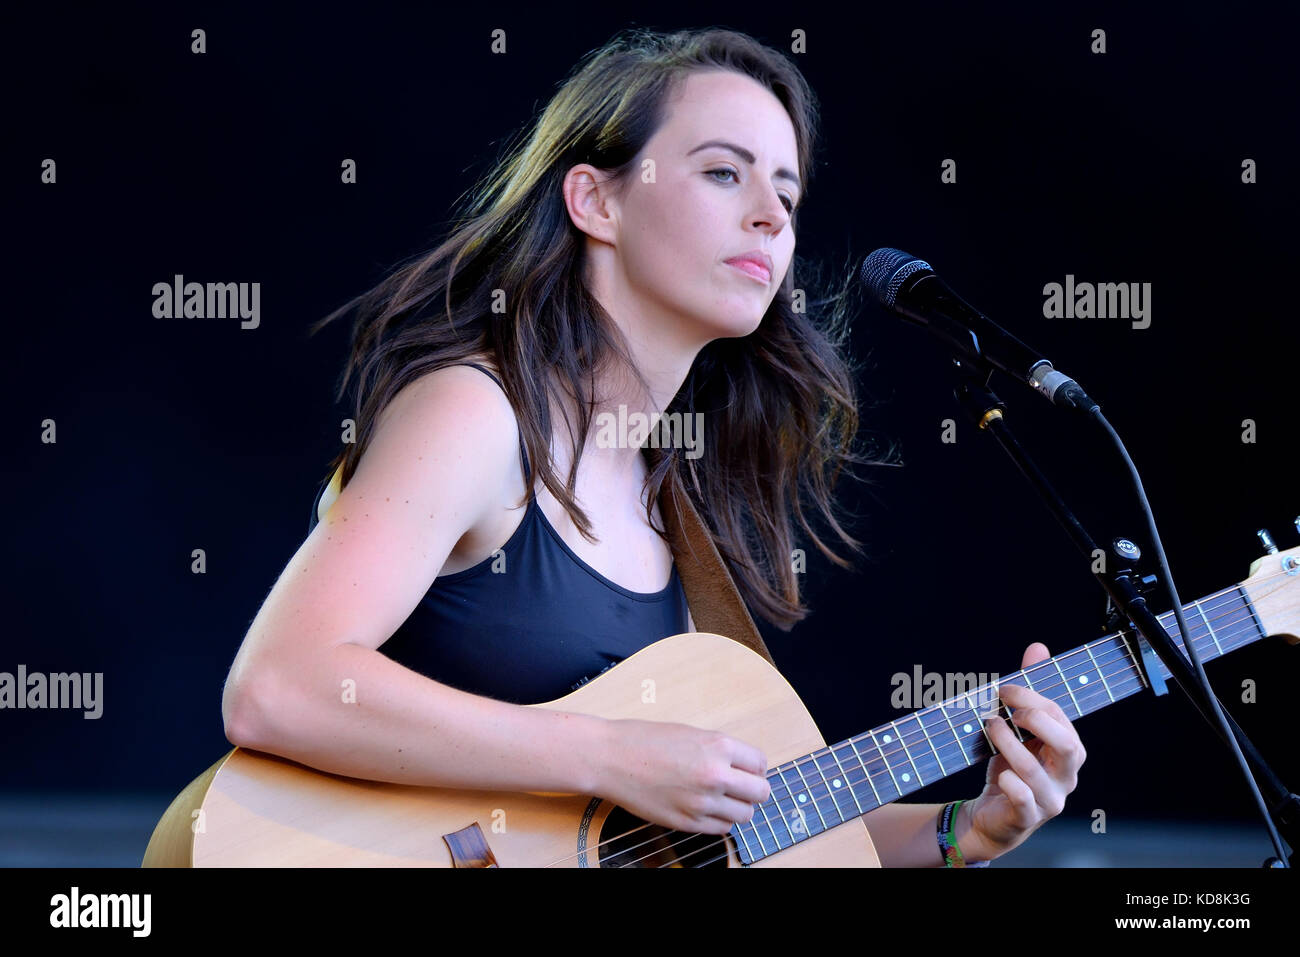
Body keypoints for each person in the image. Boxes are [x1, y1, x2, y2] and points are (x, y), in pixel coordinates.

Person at [220, 26, 1085, 866]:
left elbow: (732, 833)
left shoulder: (674, 493)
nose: (770, 219)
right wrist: (606, 754)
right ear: (597, 200)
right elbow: (277, 688)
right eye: (724, 173)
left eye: (787, 196)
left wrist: (962, 830)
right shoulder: (476, 414)